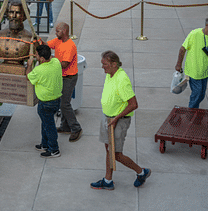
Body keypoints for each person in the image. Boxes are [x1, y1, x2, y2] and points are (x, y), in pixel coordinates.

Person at [90, 51, 151, 190]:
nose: (102, 67)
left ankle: (142, 172)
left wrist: (116, 118)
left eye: (104, 64)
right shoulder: (110, 74)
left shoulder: (122, 79)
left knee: (116, 154)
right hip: (108, 118)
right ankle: (108, 181)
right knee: (108, 149)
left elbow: (134, 104)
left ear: (114, 64)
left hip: (119, 120)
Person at [175, 17, 208, 109]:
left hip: (205, 72)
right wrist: (178, 64)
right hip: (193, 71)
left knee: (201, 95)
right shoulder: (194, 34)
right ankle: (191, 113)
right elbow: (182, 49)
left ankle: (193, 111)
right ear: (207, 26)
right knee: (197, 93)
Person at [46, 22, 83, 142]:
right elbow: (46, 45)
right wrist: (36, 41)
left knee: (64, 104)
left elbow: (64, 64)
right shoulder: (58, 41)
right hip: (62, 77)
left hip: (69, 78)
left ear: (64, 31)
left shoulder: (70, 46)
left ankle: (76, 128)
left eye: (58, 31)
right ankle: (65, 126)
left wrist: (49, 60)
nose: (55, 33)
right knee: (62, 102)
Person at [27, 44, 63, 158]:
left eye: (37, 55)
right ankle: (45, 144)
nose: (35, 56)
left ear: (42, 59)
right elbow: (51, 58)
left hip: (46, 103)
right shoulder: (56, 62)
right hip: (56, 100)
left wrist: (29, 65)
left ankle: (54, 150)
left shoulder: (38, 70)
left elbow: (28, 76)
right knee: (46, 123)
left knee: (49, 126)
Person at [0, 0, 38, 75]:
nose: (14, 16)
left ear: (24, 16)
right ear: (7, 14)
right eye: (11, 12)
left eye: (18, 13)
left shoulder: (30, 38)